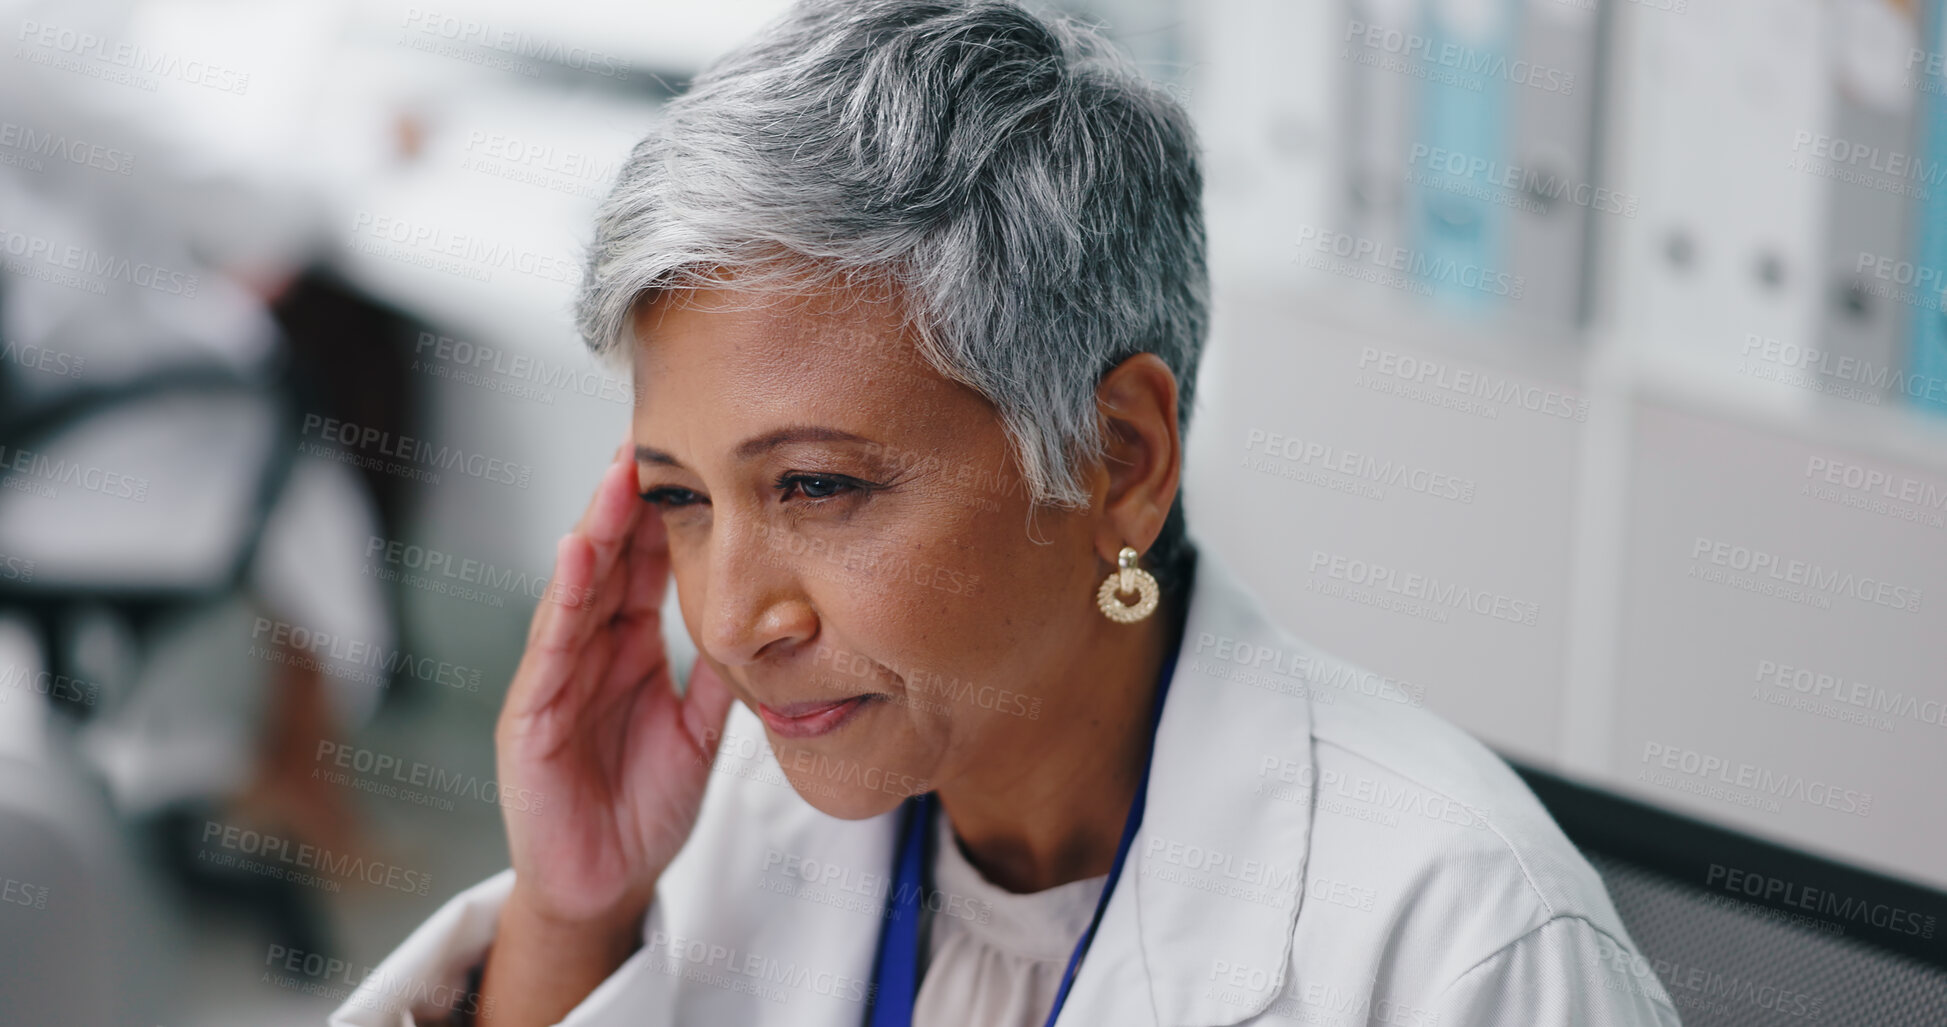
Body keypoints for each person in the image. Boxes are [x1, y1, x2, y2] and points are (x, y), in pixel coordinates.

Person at [331, 1, 1680, 1024]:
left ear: (1119, 459)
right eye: (681, 500)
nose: (731, 620)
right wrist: (575, 913)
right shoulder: (749, 810)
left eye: (816, 487)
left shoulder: (1464, 939)